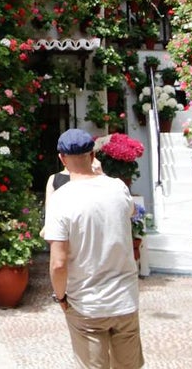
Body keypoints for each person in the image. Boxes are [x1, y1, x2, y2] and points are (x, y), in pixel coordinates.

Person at [42, 128, 144, 369]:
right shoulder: (118, 187)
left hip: (87, 304)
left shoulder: (61, 199)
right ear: (93, 155)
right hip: (124, 300)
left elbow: (58, 263)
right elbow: (128, 212)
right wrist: (102, 174)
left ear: (62, 159)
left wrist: (61, 298)